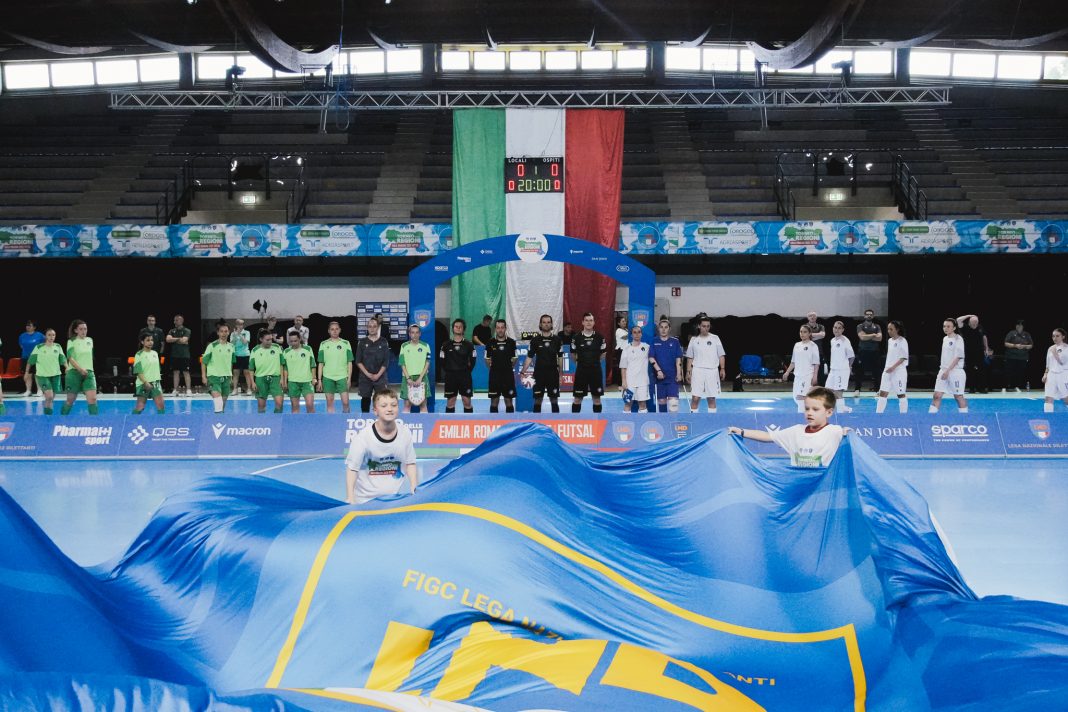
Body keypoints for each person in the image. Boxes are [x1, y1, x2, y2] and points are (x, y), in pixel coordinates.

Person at [728, 387, 848, 467]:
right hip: (798, 487)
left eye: (815, 409)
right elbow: (768, 436)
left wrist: (849, 433)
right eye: (807, 409)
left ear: (829, 412)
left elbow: (852, 442)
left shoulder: (835, 431)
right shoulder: (796, 431)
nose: (809, 413)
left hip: (822, 489)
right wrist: (741, 431)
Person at [344, 388, 418, 505]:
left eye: (393, 405)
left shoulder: (405, 433)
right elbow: (352, 469)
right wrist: (350, 498)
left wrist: (414, 488)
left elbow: (410, 463)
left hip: (393, 501)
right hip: (364, 502)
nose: (389, 409)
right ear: (375, 411)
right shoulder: (362, 438)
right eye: (384, 406)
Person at [521, 314, 563, 413]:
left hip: (553, 374)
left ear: (551, 324)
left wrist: (561, 374)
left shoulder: (557, 340)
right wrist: (523, 371)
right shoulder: (535, 340)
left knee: (554, 400)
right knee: (537, 400)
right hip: (539, 374)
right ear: (540, 324)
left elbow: (560, 358)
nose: (546, 324)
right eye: (544, 322)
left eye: (548, 322)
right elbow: (529, 357)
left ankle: (556, 421)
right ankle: (537, 422)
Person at [685, 316, 727, 413]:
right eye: (704, 326)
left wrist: (722, 369)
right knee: (695, 398)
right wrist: (688, 372)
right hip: (697, 370)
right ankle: (693, 418)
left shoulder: (715, 338)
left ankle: (712, 419)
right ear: (699, 326)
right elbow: (690, 357)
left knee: (711, 398)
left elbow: (721, 355)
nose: (706, 328)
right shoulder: (694, 339)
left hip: (712, 371)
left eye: (708, 326)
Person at [930, 318, 969, 414]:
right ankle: (931, 418)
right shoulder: (945, 339)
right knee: (937, 395)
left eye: (948, 326)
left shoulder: (958, 339)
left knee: (958, 396)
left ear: (954, 328)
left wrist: (948, 371)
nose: (945, 328)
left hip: (956, 371)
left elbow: (958, 357)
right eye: (944, 326)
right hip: (943, 371)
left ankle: (964, 418)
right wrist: (945, 371)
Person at [570, 312, 606, 413]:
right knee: (577, 399)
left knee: (597, 399)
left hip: (596, 371)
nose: (589, 322)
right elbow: (573, 354)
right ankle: (575, 420)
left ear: (594, 322)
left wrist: (594, 362)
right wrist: (581, 363)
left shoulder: (600, 337)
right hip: (581, 371)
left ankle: (597, 421)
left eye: (591, 320)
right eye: (586, 320)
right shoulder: (576, 338)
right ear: (582, 322)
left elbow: (603, 354)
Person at [63, 319, 99, 416]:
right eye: (81, 329)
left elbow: (90, 357)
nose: (84, 331)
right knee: (70, 400)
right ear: (76, 330)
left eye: (85, 329)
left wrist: (87, 369)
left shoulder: (90, 340)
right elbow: (70, 358)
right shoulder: (71, 341)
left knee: (93, 399)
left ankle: (94, 422)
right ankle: (61, 419)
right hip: (74, 373)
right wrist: (80, 369)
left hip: (89, 373)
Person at [355, 316, 391, 413]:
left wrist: (378, 375)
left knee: (381, 399)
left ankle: (381, 418)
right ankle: (365, 418)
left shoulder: (384, 342)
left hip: (380, 377)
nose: (372, 328)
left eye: (374, 326)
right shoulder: (362, 342)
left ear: (378, 327)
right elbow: (358, 361)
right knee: (365, 400)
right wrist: (368, 374)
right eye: (370, 326)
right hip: (365, 377)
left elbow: (386, 361)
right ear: (367, 328)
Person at [782, 325, 821, 414]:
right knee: (796, 397)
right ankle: (812, 410)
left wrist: (815, 376)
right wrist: (787, 372)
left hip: (807, 375)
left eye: (805, 332)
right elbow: (793, 362)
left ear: (809, 333)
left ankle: (802, 418)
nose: (802, 334)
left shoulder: (813, 346)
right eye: (801, 332)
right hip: (797, 376)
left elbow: (816, 363)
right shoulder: (797, 345)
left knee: (800, 397)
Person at [318, 321, 354, 414]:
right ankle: (332, 421)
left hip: (342, 376)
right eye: (332, 329)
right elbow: (321, 363)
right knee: (330, 404)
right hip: (328, 377)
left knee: (346, 403)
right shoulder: (323, 344)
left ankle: (345, 420)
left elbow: (349, 362)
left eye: (336, 329)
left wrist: (349, 378)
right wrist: (319, 380)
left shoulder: (346, 343)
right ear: (328, 331)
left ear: (340, 330)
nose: (334, 331)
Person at [440, 318, 476, 413]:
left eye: (460, 326)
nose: (458, 328)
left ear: (463, 329)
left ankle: (468, 421)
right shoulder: (446, 345)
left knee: (467, 402)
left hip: (465, 376)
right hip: (450, 376)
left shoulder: (469, 345)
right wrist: (449, 370)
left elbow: (473, 360)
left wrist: (466, 371)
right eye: (456, 326)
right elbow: (442, 361)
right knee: (450, 402)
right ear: (453, 329)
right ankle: (449, 421)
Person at [27, 328, 64, 415]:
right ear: (45, 336)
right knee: (49, 396)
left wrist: (67, 368)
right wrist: (26, 372)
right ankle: (47, 416)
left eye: (53, 335)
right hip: (42, 375)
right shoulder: (38, 347)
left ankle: (48, 416)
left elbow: (63, 359)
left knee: (51, 398)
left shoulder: (58, 346)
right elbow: (30, 361)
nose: (51, 337)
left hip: (56, 375)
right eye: (49, 335)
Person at [649, 319, 684, 413]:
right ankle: (663, 421)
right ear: (658, 329)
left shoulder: (675, 341)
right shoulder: (654, 341)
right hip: (660, 378)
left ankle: (673, 421)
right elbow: (651, 358)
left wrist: (679, 373)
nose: (663, 329)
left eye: (666, 327)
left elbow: (678, 359)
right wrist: (658, 371)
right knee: (662, 401)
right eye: (661, 327)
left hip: (672, 377)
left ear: (669, 329)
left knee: (673, 403)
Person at [875, 320, 909, 414]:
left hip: (898, 371)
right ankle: (878, 415)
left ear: (897, 329)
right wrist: (888, 368)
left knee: (901, 394)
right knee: (882, 393)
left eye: (891, 329)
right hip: (887, 371)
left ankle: (903, 416)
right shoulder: (890, 341)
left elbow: (903, 358)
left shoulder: (902, 341)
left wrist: (893, 367)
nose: (889, 331)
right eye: (888, 329)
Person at [202, 322, 236, 413]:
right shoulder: (212, 346)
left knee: (222, 406)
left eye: (226, 331)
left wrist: (231, 376)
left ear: (229, 332)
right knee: (218, 404)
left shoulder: (232, 346)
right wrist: (203, 376)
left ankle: (220, 420)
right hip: (214, 377)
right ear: (218, 333)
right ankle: (217, 421)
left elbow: (231, 363)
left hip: (227, 377)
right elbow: (204, 362)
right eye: (221, 331)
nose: (224, 333)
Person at [249, 328, 285, 414]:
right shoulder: (255, 350)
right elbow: (251, 368)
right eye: (267, 340)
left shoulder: (277, 347)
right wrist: (252, 382)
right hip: (260, 379)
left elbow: (281, 364)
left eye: (271, 339)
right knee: (261, 406)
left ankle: (277, 420)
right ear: (261, 339)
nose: (270, 342)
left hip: (275, 379)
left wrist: (282, 379)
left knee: (279, 403)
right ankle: (263, 421)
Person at [486, 319, 518, 413]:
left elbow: (515, 358)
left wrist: (508, 368)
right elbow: (487, 359)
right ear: (495, 329)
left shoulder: (511, 342)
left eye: (502, 328)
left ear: (505, 328)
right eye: (498, 328)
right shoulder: (490, 342)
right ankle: (494, 422)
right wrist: (494, 369)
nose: (500, 330)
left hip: (508, 376)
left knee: (509, 402)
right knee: (494, 402)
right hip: (494, 376)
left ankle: (510, 422)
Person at [282, 331, 317, 413]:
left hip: (307, 381)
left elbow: (313, 364)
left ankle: (312, 421)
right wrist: (285, 382)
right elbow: (285, 368)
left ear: (300, 339)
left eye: (295, 341)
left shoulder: (308, 349)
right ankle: (296, 421)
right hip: (292, 382)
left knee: (310, 405)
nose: (293, 343)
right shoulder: (286, 351)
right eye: (291, 341)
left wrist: (314, 378)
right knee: (294, 407)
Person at [619, 325, 651, 413]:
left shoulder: (647, 347)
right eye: (634, 332)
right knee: (627, 404)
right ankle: (626, 422)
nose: (637, 334)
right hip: (629, 382)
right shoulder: (626, 348)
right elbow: (623, 367)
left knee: (643, 405)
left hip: (643, 382)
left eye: (639, 332)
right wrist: (624, 382)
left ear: (641, 334)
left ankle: (642, 422)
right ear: (631, 335)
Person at [399, 323, 430, 413]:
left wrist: (420, 378)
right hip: (407, 378)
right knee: (407, 405)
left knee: (423, 404)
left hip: (422, 378)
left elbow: (427, 363)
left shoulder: (426, 346)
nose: (415, 335)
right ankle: (406, 422)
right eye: (412, 332)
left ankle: (425, 422)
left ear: (420, 334)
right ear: (409, 334)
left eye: (417, 332)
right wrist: (408, 378)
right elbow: (402, 363)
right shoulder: (404, 346)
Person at [957, 314, 991, 394]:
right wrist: (969, 315)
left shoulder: (980, 327)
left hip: (979, 352)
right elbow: (958, 320)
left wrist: (986, 348)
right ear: (969, 322)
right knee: (970, 370)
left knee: (981, 370)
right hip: (968, 352)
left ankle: (981, 388)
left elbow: (984, 337)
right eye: (973, 322)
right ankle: (972, 388)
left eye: (976, 322)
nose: (975, 324)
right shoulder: (965, 327)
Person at [825, 321, 855, 413]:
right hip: (833, 370)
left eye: (839, 328)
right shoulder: (832, 340)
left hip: (842, 370)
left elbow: (852, 356)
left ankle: (841, 414)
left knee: (838, 393)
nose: (836, 330)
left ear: (842, 330)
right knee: (828, 391)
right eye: (835, 327)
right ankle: (845, 408)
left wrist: (849, 367)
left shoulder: (845, 340)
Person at [132, 333, 165, 415]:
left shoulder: (155, 353)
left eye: (152, 340)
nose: (151, 342)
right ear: (142, 342)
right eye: (148, 340)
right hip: (143, 384)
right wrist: (145, 383)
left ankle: (162, 422)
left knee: (161, 406)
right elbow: (138, 371)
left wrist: (158, 380)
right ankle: (132, 420)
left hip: (155, 383)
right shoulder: (139, 355)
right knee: (140, 407)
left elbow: (157, 369)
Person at [854, 309, 883, 396]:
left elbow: (879, 338)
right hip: (863, 351)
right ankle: (857, 390)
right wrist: (874, 335)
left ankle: (877, 390)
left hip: (874, 352)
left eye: (871, 314)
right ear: (864, 316)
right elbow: (862, 337)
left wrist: (867, 336)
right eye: (867, 314)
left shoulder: (877, 326)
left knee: (876, 372)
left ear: (873, 316)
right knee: (859, 371)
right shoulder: (860, 326)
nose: (869, 316)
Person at [1042, 328, 1068, 413]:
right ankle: (1048, 416)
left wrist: (1055, 352)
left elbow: (1062, 362)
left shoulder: (1066, 348)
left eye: (1057, 336)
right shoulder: (1050, 348)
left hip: (1063, 375)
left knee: (1066, 399)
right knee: (1048, 397)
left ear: (1063, 337)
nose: (1055, 338)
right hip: (1051, 375)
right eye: (1053, 336)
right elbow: (1048, 364)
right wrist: (1045, 374)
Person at [1003, 320, 1033, 392]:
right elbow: (1006, 343)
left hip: (1022, 357)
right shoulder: (1011, 333)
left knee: (1019, 373)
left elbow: (1031, 345)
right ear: (1015, 326)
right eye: (1017, 325)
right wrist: (1015, 345)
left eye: (1020, 325)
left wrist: (1024, 346)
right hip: (1011, 356)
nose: (1019, 326)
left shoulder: (1027, 334)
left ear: (1023, 326)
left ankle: (1016, 386)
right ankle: (1005, 387)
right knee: (1008, 372)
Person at [166, 314, 193, 396]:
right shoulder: (171, 331)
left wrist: (174, 339)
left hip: (184, 355)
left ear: (181, 321)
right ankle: (175, 390)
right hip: (175, 355)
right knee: (175, 372)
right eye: (174, 320)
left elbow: (184, 340)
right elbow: (168, 339)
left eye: (176, 320)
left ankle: (188, 390)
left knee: (186, 372)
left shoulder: (187, 330)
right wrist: (179, 339)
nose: (175, 322)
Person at [18, 320, 45, 396]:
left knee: (37, 374)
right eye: (27, 325)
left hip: (37, 357)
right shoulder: (22, 336)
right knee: (28, 374)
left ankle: (39, 390)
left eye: (30, 325)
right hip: (25, 357)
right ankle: (28, 390)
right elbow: (21, 346)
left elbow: (44, 345)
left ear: (34, 327)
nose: (28, 327)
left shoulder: (40, 335)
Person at [230, 318, 253, 395]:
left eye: (242, 324)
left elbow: (245, 342)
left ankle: (249, 389)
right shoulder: (233, 334)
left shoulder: (247, 332)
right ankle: (235, 389)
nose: (241, 326)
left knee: (247, 372)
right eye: (239, 324)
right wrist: (235, 335)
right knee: (235, 373)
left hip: (245, 354)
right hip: (236, 355)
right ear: (236, 325)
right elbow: (231, 344)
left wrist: (239, 334)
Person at [804, 311, 828, 377]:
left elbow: (823, 335)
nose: (812, 317)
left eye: (814, 316)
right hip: (807, 352)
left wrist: (810, 336)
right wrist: (818, 335)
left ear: (816, 317)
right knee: (808, 371)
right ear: (808, 318)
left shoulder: (821, 326)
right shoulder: (804, 327)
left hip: (819, 352)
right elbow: (805, 336)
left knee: (820, 372)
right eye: (810, 316)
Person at [612, 315, 628, 387]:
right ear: (619, 323)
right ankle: (620, 383)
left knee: (626, 367)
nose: (625, 322)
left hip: (627, 351)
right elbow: (624, 337)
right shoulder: (618, 330)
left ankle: (625, 382)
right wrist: (632, 332)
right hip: (620, 351)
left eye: (625, 321)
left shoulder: (626, 330)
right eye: (623, 321)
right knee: (621, 367)